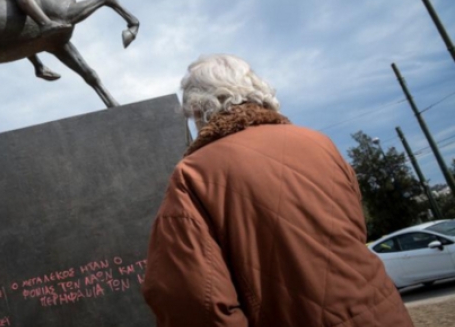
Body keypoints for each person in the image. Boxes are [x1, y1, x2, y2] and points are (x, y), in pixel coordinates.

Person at [141, 54, 413, 327]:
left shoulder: (193, 175)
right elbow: (355, 230)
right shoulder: (320, 144)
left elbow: (192, 299)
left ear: (198, 109)